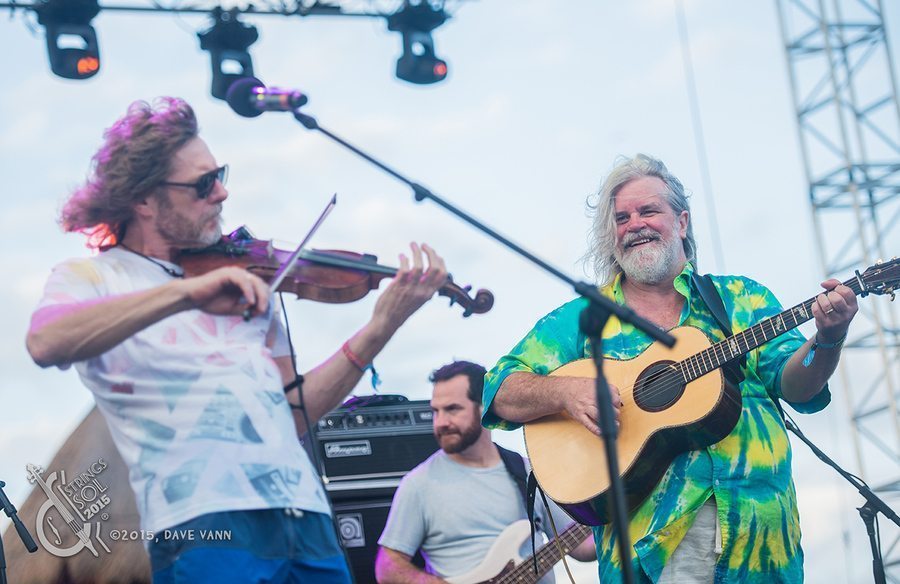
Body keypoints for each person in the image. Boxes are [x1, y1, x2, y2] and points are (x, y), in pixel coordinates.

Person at [25, 97, 449, 584]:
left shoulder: (245, 278)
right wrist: (184, 293)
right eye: (202, 184)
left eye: (219, 173)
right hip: (205, 523)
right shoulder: (94, 277)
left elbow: (294, 413)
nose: (222, 193)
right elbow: (45, 341)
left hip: (305, 517)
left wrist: (379, 329)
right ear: (142, 199)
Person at [481, 154, 859, 583]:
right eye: (621, 218)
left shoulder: (741, 300)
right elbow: (497, 388)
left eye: (648, 211)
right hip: (655, 547)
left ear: (681, 223)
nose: (634, 224)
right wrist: (565, 392)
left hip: (763, 542)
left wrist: (828, 338)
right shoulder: (583, 318)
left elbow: (799, 386)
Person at [374, 360, 595, 583]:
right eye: (435, 411)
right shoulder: (418, 484)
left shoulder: (529, 470)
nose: (440, 422)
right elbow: (387, 567)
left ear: (484, 406)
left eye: (452, 409)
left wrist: (620, 511)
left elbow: (581, 547)